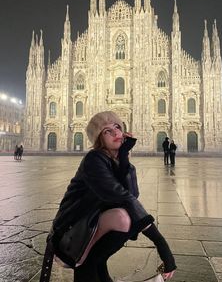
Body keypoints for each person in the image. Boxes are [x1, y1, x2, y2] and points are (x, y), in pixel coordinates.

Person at [50, 111, 176, 282]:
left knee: (125, 218)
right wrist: (161, 244)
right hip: (72, 230)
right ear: (99, 139)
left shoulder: (117, 161)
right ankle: (89, 267)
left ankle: (96, 267)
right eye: (106, 131)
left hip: (92, 222)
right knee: (124, 215)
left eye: (117, 127)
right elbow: (123, 196)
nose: (115, 132)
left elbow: (132, 195)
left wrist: (123, 155)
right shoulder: (93, 159)